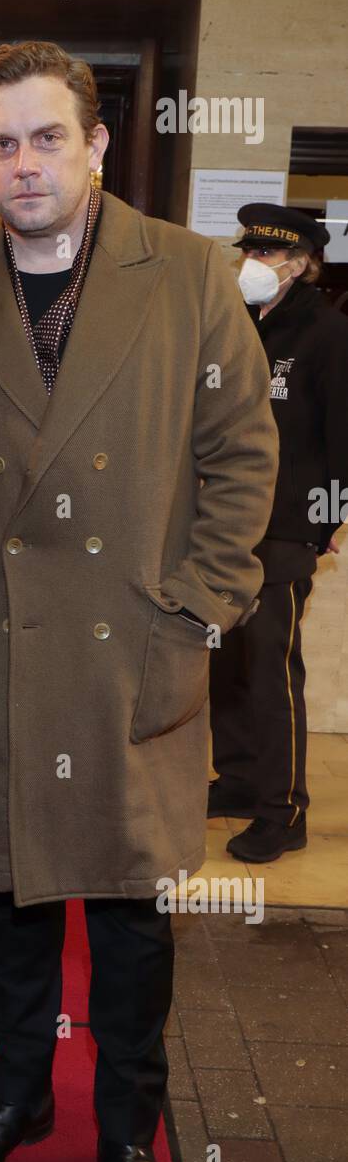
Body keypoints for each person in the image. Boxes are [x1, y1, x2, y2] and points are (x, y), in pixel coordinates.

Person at [0, 40, 278, 1162]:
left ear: (96, 143)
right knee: (10, 900)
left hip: (134, 656)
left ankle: (124, 1135)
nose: (21, 163)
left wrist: (199, 605)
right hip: (8, 653)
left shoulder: (189, 274)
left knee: (128, 922)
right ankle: (16, 1096)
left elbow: (240, 455)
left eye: (45, 136)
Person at [209, 204, 348, 862]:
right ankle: (238, 779)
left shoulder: (326, 334)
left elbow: (344, 435)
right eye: (249, 254)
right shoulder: (238, 327)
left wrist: (327, 522)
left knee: (271, 669)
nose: (252, 266)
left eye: (266, 257)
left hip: (287, 529)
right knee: (227, 663)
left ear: (300, 263)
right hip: (225, 526)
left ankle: (282, 811)